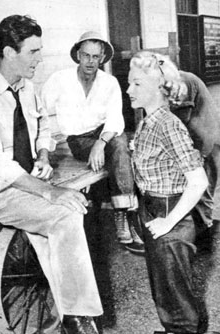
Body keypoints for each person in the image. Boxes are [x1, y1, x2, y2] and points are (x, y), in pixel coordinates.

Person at [0, 15, 102, 334]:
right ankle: (78, 319)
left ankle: (70, 315)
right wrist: (50, 192)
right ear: (8, 52)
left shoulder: (27, 88)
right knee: (64, 216)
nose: (40, 58)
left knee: (68, 219)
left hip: (31, 180)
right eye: (33, 51)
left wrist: (45, 154)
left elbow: (43, 128)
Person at [127, 51, 209, 334]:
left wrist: (169, 221)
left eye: (136, 84)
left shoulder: (168, 125)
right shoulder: (147, 121)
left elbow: (198, 181)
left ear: (158, 88)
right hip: (153, 209)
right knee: (164, 293)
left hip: (169, 213)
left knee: (177, 299)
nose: (129, 90)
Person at [41, 31, 144, 254]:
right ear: (78, 55)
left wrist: (100, 143)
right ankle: (127, 215)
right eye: (86, 55)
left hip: (105, 136)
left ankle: (122, 214)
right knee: (120, 145)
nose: (90, 61)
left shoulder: (109, 82)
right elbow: (41, 114)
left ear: (103, 57)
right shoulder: (59, 80)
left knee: (119, 142)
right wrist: (44, 149)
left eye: (96, 57)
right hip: (78, 140)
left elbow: (116, 119)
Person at [170, 71, 220, 235]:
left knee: (203, 189)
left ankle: (205, 236)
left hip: (206, 138)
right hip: (199, 138)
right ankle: (201, 231)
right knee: (197, 187)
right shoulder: (174, 81)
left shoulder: (183, 81)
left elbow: (181, 117)